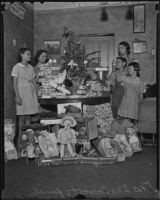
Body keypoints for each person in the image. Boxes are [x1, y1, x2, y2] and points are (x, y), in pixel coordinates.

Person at [11, 48, 39, 126]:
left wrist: (36, 93)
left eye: (30, 54)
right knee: (21, 117)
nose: (30, 56)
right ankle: (20, 136)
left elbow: (33, 81)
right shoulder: (16, 67)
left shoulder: (31, 67)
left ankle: (28, 135)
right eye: (28, 54)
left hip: (30, 93)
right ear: (22, 55)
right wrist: (17, 96)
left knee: (28, 116)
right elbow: (14, 83)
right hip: (21, 94)